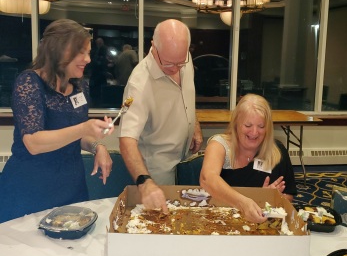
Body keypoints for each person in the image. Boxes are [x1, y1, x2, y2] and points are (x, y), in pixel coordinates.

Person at [0, 19, 114, 223]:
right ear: (58, 51)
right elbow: (33, 143)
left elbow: (75, 137)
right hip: (30, 189)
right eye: (81, 52)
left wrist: (97, 146)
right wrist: (84, 128)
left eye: (88, 52)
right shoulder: (29, 83)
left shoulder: (80, 87)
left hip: (71, 186)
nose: (88, 59)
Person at [119, 19, 203, 212]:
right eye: (168, 63)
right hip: (157, 171)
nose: (175, 68)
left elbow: (185, 96)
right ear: (153, 47)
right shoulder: (138, 84)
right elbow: (127, 141)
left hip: (185, 159)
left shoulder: (184, 60)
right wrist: (144, 182)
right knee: (162, 225)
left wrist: (194, 124)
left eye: (180, 62)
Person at [199, 94, 297, 223]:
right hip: (221, 221)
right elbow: (207, 179)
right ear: (236, 124)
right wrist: (247, 201)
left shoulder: (277, 151)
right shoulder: (220, 145)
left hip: (261, 225)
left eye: (261, 126)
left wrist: (270, 199)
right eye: (248, 125)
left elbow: (288, 196)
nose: (254, 132)